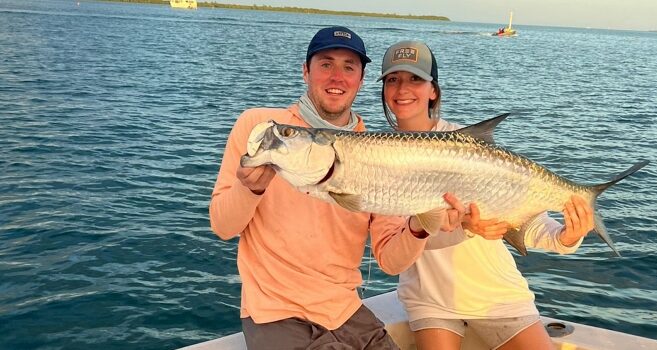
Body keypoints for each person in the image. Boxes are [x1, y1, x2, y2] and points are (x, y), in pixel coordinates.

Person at [209, 28, 466, 349]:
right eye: (325, 64)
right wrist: (250, 190)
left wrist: (418, 226)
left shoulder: (378, 149)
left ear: (361, 78)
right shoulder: (261, 126)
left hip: (345, 311)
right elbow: (222, 225)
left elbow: (389, 259)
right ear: (305, 70)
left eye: (349, 67)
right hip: (275, 312)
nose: (337, 77)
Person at [378, 40, 595, 350]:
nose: (402, 89)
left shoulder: (471, 151)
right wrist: (464, 228)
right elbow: (398, 243)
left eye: (415, 78)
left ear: (433, 90)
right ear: (384, 89)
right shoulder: (373, 157)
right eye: (392, 79)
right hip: (430, 299)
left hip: (498, 296)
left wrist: (566, 237)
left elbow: (528, 224)